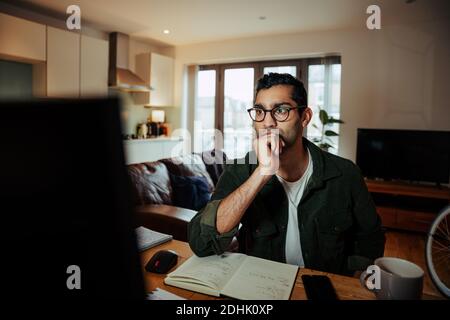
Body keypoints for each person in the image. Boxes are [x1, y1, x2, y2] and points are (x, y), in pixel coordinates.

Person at [188, 73, 385, 275]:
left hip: (323, 286)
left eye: (281, 110)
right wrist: (261, 174)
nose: (267, 122)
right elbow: (201, 243)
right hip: (262, 286)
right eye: (259, 111)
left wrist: (351, 279)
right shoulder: (239, 171)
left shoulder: (345, 174)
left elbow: (370, 237)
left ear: (305, 117)